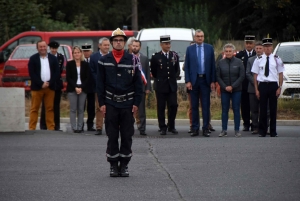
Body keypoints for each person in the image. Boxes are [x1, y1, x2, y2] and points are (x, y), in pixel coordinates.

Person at [97, 28, 143, 177]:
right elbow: (100, 83)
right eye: (115, 40)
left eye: (121, 40)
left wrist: (136, 102)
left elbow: (138, 84)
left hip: (127, 103)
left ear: (125, 43)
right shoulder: (104, 60)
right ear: (111, 43)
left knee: (127, 135)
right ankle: (113, 165)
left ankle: (124, 165)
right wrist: (102, 102)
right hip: (110, 103)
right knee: (112, 135)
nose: (118, 43)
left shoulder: (133, 60)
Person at [184, 29, 216, 137]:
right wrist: (187, 81)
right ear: (194, 37)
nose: (200, 38)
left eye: (202, 36)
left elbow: (212, 66)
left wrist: (212, 81)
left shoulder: (209, 48)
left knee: (205, 105)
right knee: (194, 106)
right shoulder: (189, 49)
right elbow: (187, 67)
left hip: (205, 80)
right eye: (198, 36)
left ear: (204, 37)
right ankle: (195, 128)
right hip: (194, 81)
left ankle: (206, 128)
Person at [252, 38, 284, 137]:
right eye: (265, 46)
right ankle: (262, 131)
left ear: (272, 47)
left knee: (273, 109)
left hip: (273, 85)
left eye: (269, 46)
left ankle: (273, 131)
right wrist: (256, 89)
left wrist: (279, 87)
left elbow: (280, 74)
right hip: (263, 85)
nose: (267, 48)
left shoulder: (277, 59)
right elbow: (255, 76)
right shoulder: (258, 59)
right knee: (263, 109)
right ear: (263, 48)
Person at [150, 35, 180, 135]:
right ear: (161, 45)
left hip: (171, 85)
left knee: (173, 105)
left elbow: (176, 70)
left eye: (169, 43)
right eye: (166, 44)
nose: (168, 45)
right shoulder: (156, 57)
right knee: (161, 107)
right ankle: (162, 127)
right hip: (161, 85)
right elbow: (154, 72)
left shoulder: (174, 55)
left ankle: (171, 125)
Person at [28, 40, 59, 130]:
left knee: (50, 108)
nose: (43, 48)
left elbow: (57, 73)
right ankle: (31, 128)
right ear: (37, 48)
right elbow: (32, 73)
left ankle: (51, 128)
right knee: (34, 109)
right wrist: (41, 83)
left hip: (50, 87)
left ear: (47, 47)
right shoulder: (33, 58)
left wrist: (49, 83)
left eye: (44, 46)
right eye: (40, 47)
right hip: (37, 88)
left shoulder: (53, 58)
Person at [217, 43, 245, 137]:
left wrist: (232, 86)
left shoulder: (238, 62)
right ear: (224, 52)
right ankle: (224, 130)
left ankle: (237, 130)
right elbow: (218, 76)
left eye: (230, 51)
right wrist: (225, 87)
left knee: (236, 109)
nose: (228, 53)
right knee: (224, 110)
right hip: (224, 90)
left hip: (236, 90)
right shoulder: (220, 62)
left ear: (233, 52)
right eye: (226, 51)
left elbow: (242, 76)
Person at [40, 41, 64, 131]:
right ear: (50, 48)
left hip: (57, 84)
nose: (54, 50)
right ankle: (43, 124)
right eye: (52, 48)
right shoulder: (46, 57)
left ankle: (56, 125)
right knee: (45, 105)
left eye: (55, 48)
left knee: (56, 105)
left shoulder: (61, 57)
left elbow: (60, 70)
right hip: (47, 83)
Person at [66, 46, 90, 133]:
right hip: (72, 89)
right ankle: (74, 127)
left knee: (81, 109)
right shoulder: (69, 64)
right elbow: (68, 78)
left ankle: (80, 127)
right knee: (73, 109)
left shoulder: (86, 64)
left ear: (81, 53)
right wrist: (76, 87)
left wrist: (81, 87)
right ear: (73, 54)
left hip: (83, 89)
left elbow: (87, 78)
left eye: (78, 52)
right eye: (75, 53)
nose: (77, 54)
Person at [235, 35, 256, 131]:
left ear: (254, 44)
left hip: (254, 83)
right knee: (244, 105)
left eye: (250, 43)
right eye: (247, 43)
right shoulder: (240, 55)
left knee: (254, 105)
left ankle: (255, 123)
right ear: (245, 44)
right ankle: (246, 123)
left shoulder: (257, 54)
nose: (249, 45)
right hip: (243, 84)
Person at [90, 37, 110, 135]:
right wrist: (100, 81)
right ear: (99, 46)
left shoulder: (112, 56)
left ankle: (110, 127)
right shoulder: (94, 57)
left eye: (108, 45)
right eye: (105, 45)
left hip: (111, 87)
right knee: (99, 107)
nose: (107, 47)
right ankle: (99, 127)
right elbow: (92, 71)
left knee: (111, 108)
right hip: (99, 87)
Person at [132, 39, 151, 136]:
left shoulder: (144, 58)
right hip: (129, 88)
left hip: (141, 88)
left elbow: (147, 73)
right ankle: (129, 128)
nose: (135, 47)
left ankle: (142, 128)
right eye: (133, 45)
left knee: (141, 109)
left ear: (140, 47)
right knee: (129, 109)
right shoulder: (127, 58)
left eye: (137, 46)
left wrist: (148, 87)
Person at [246, 42, 264, 134]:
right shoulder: (250, 60)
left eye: (260, 48)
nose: (258, 50)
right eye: (257, 48)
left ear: (263, 49)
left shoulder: (267, 60)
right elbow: (248, 73)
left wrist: (262, 84)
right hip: (252, 88)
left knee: (264, 109)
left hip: (264, 87)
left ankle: (264, 127)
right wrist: (256, 83)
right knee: (254, 109)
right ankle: (255, 127)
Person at [81, 43, 96, 131]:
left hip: (91, 87)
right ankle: (81, 124)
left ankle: (90, 125)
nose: (86, 53)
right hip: (82, 87)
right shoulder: (81, 61)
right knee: (81, 107)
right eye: (84, 51)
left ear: (91, 51)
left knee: (91, 108)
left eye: (88, 51)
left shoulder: (93, 60)